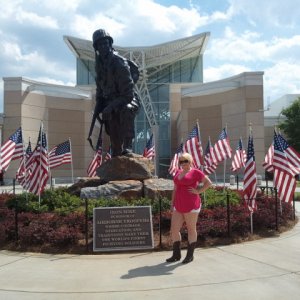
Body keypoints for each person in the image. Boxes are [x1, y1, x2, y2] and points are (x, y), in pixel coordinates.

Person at [90, 29, 140, 157]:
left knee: (126, 110)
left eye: (106, 43)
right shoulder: (99, 67)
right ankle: (116, 154)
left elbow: (128, 94)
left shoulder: (119, 62)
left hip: (127, 100)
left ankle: (128, 146)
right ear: (96, 48)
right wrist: (98, 110)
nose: (103, 46)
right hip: (110, 103)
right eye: (100, 44)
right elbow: (100, 93)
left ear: (110, 44)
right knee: (113, 133)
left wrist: (110, 107)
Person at [166, 152, 212, 264]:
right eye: (181, 161)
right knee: (174, 229)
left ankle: (190, 255)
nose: (183, 163)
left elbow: (208, 183)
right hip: (178, 204)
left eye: (185, 161)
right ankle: (176, 254)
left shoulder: (195, 172)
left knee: (191, 229)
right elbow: (175, 189)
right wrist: (172, 204)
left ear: (190, 161)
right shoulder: (178, 172)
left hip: (191, 205)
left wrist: (198, 191)